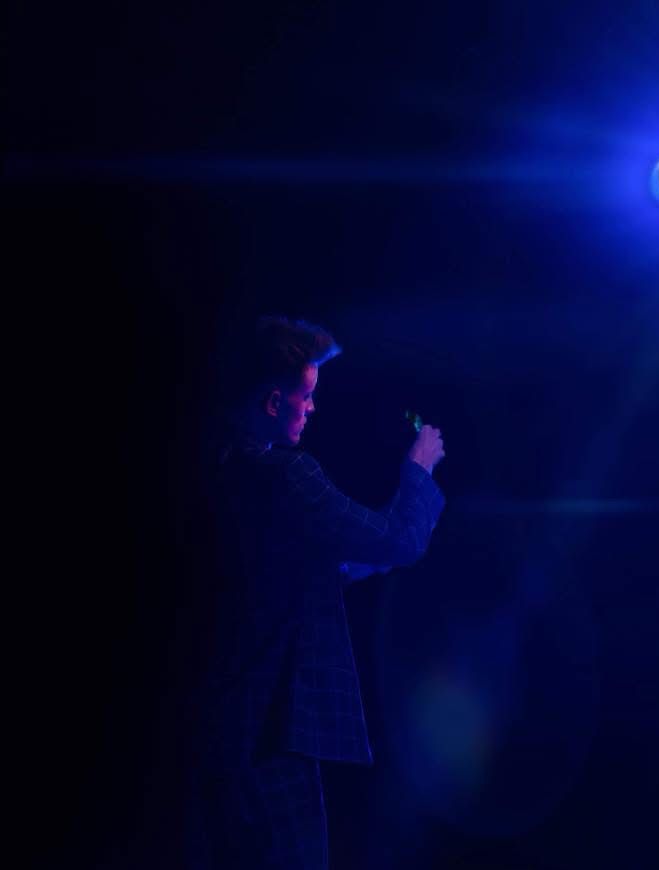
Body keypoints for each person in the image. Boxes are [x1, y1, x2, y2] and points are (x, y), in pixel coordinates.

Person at [182, 315, 446, 869]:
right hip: (273, 735)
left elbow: (283, 575)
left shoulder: (220, 469)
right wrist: (419, 468)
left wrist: (360, 562)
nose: (312, 409)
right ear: (274, 402)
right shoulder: (285, 475)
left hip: (220, 735)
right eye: (306, 397)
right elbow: (400, 539)